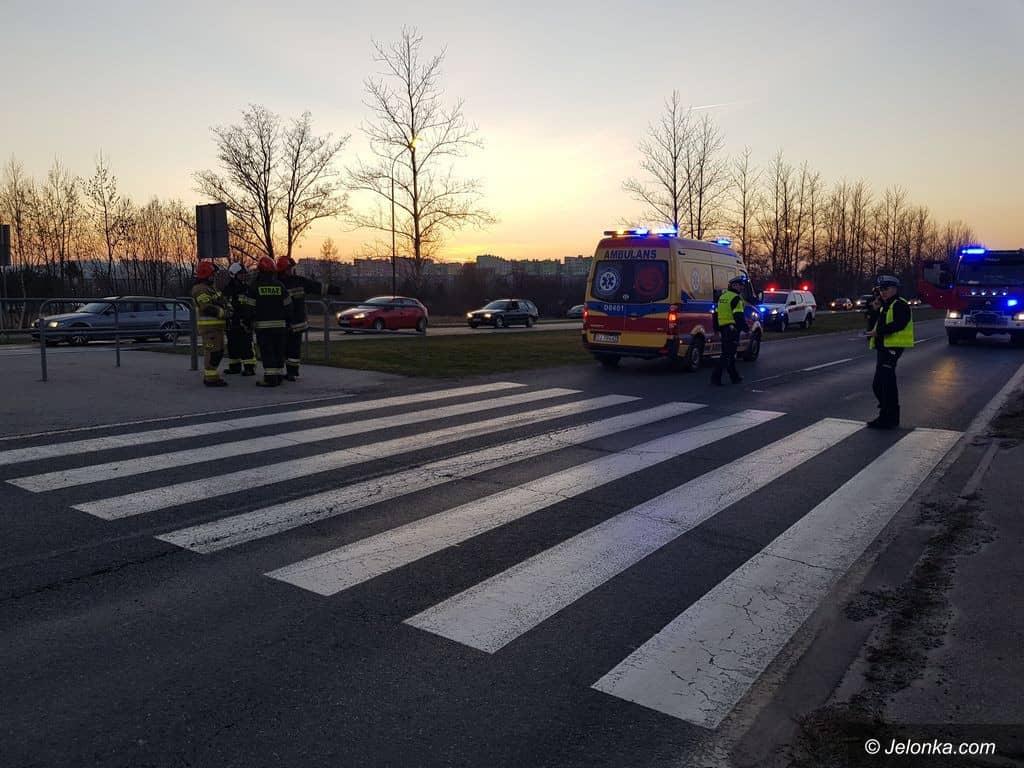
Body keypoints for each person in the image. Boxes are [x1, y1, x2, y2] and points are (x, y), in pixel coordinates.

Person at [275, 255, 340, 381]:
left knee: (289, 349)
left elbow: (317, 287)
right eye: (289, 268)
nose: (291, 270)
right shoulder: (288, 282)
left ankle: (287, 373)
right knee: (287, 349)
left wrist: (334, 290)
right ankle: (284, 373)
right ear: (284, 269)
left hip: (288, 323)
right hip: (289, 323)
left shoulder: (282, 282)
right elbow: (316, 287)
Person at [865, 275, 914, 429]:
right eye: (880, 289)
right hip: (883, 347)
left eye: (885, 289)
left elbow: (899, 323)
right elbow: (873, 323)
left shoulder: (900, 304)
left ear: (894, 289)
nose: (883, 292)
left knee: (886, 383)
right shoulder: (885, 305)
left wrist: (879, 332)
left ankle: (890, 418)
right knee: (878, 385)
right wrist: (874, 310)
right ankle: (886, 414)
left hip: (893, 347)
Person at [247, 256, 293, 388]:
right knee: (279, 351)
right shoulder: (280, 286)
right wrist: (289, 322)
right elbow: (289, 306)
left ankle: (270, 378)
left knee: (268, 352)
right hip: (280, 327)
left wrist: (248, 322)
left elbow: (249, 307)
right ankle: (278, 376)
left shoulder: (255, 287)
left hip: (263, 328)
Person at [190, 260, 230, 387]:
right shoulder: (200, 289)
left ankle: (212, 376)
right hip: (209, 328)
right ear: (206, 274)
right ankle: (210, 378)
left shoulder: (211, 288)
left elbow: (222, 300)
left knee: (219, 351)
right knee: (213, 352)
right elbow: (206, 307)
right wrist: (223, 313)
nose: (214, 276)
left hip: (217, 327)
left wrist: (228, 307)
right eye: (213, 274)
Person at [711, 275, 749, 386]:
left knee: (729, 354)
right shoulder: (736, 299)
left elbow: (716, 314)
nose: (742, 287)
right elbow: (738, 316)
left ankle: (734, 377)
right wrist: (745, 328)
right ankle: (715, 377)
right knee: (727, 355)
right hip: (732, 330)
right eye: (740, 285)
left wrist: (716, 328)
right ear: (734, 285)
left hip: (723, 328)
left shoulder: (723, 297)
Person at [222, 262, 257, 376]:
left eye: (244, 274)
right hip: (231, 323)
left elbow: (251, 306)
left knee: (246, 345)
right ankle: (234, 367)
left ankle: (249, 368)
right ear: (233, 274)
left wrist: (249, 320)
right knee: (232, 345)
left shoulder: (247, 289)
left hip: (244, 322)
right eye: (241, 274)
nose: (243, 276)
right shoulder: (227, 289)